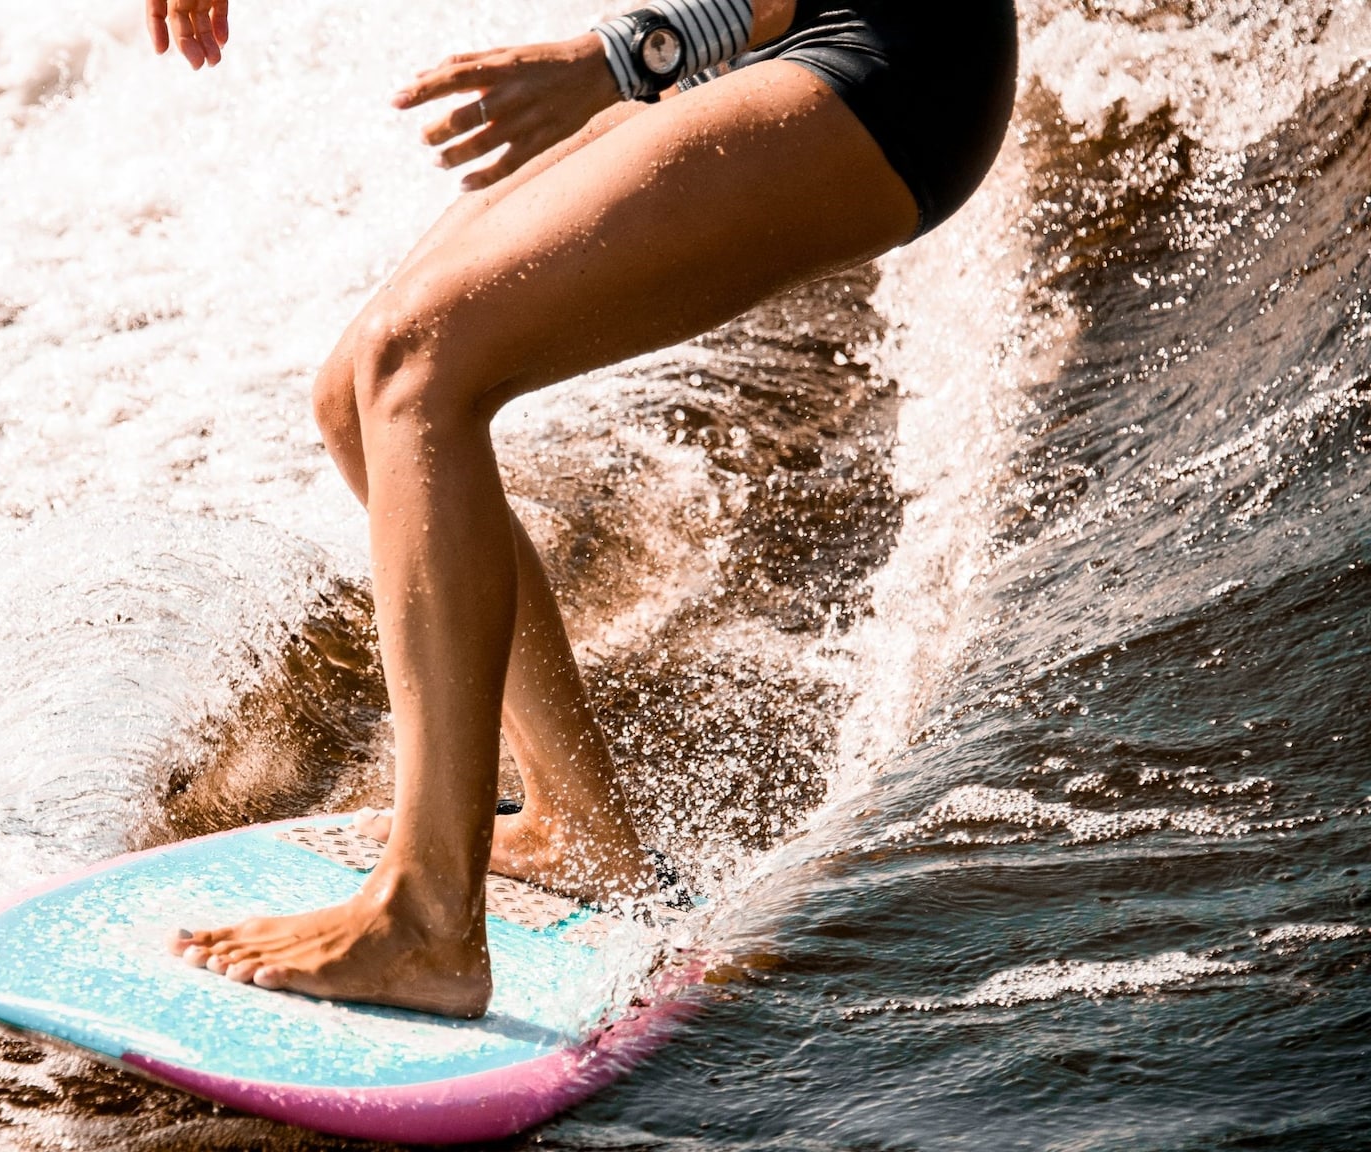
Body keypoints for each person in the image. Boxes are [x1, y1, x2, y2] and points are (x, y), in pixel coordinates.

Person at [157, 0, 1016, 1018]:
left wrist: (628, 55)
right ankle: (577, 829)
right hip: (763, 45)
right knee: (359, 393)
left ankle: (426, 916)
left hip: (891, 62)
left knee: (416, 365)